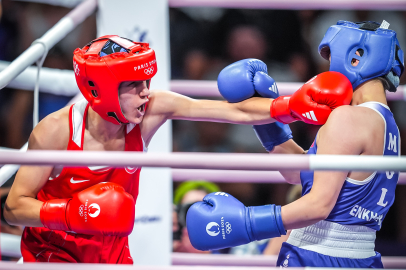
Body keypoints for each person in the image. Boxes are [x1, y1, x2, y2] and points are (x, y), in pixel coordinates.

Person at [4, 35, 352, 264]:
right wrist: (68, 214)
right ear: (102, 91)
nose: (145, 93)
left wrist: (291, 106)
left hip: (111, 255)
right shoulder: (55, 131)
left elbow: (235, 111)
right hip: (51, 256)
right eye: (134, 86)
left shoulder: (150, 110)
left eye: (147, 82)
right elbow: (13, 208)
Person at [186, 20, 404, 268]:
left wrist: (247, 223)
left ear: (356, 57)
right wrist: (267, 121)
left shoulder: (348, 118)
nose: (326, 68)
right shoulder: (388, 126)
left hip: (319, 255)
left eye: (331, 58)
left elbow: (319, 204)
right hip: (359, 257)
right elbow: (301, 175)